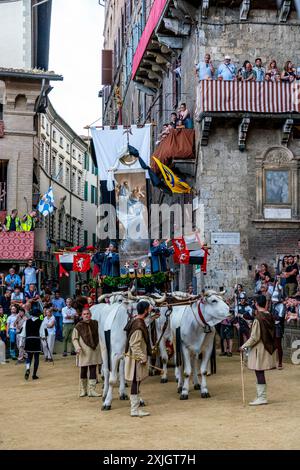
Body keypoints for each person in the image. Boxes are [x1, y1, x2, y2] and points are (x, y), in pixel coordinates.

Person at [240, 295, 276, 406]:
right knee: (260, 372)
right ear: (265, 304)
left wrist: (243, 346)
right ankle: (261, 396)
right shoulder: (269, 315)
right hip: (267, 347)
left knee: (259, 371)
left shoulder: (258, 318)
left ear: (256, 304)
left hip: (259, 349)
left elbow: (255, 337)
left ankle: (262, 397)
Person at [124, 300, 153, 417]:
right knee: (136, 382)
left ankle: (135, 408)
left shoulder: (136, 320)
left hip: (137, 358)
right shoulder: (138, 326)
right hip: (136, 359)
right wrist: (142, 357)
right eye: (149, 309)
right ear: (145, 310)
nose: (150, 310)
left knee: (137, 381)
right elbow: (134, 344)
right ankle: (134, 410)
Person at [72, 307, 102, 398]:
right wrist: (77, 347)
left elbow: (101, 335)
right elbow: (74, 339)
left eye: (88, 314)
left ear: (90, 315)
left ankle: (92, 390)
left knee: (93, 369)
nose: (86, 315)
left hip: (94, 351)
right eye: (84, 314)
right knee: (83, 370)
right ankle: (83, 390)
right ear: (82, 316)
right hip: (83, 351)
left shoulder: (96, 324)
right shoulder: (78, 326)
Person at [20, 306, 46, 380]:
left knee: (29, 357)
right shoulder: (41, 322)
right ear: (38, 315)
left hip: (28, 340)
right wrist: (44, 337)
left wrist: (22, 342)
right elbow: (42, 334)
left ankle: (28, 368)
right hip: (36, 340)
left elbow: (23, 334)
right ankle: (34, 375)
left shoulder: (26, 321)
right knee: (36, 358)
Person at [271, 296, 286, 370]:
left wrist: (272, 317)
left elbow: (280, 317)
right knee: (272, 344)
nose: (273, 301)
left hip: (278, 326)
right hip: (272, 326)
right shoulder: (273, 305)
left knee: (278, 345)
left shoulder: (282, 306)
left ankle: (280, 362)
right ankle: (272, 362)